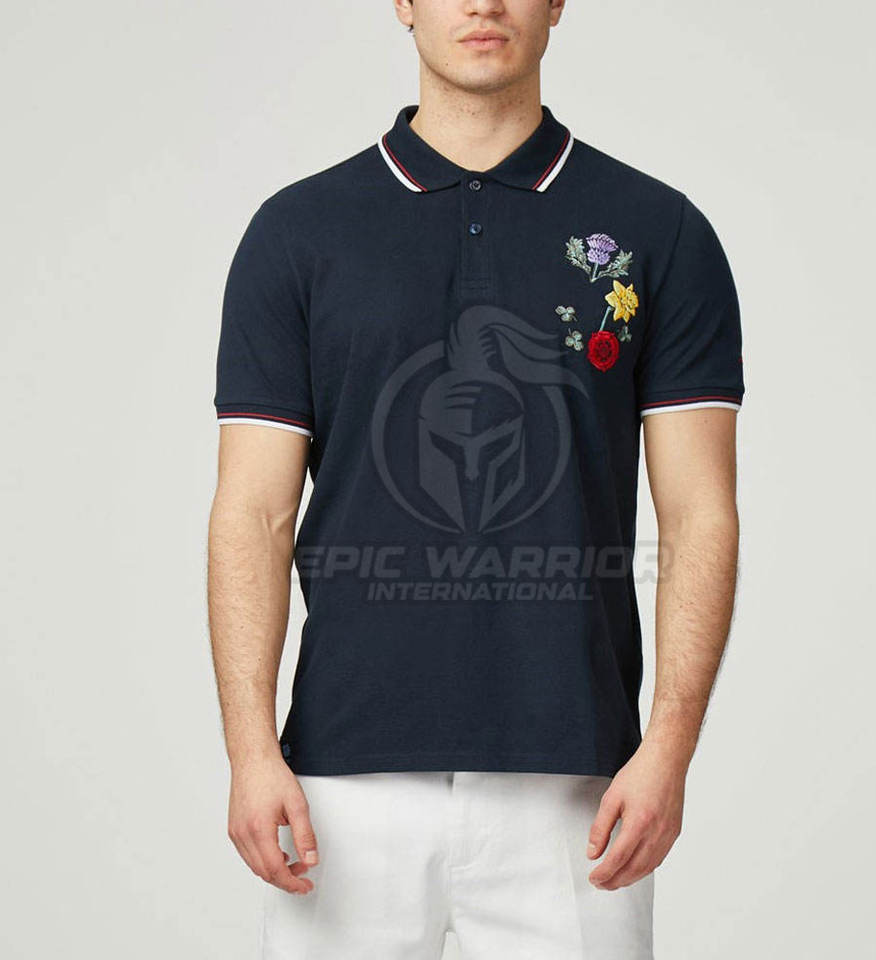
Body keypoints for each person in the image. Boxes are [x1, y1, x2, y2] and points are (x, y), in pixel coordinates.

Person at [207, 1, 744, 957]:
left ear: (557, 3)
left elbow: (699, 511)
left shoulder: (656, 231)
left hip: (579, 786)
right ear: (404, 4)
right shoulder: (299, 232)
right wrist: (250, 752)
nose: (484, 2)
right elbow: (254, 513)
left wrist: (669, 749)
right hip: (341, 784)